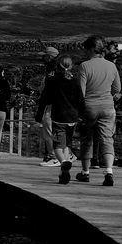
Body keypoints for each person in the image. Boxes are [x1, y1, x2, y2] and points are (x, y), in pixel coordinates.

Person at [74, 36, 122, 186]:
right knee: (107, 139)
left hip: (89, 107)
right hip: (107, 107)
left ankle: (85, 172)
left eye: (85, 50)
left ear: (90, 49)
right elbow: (117, 89)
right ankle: (108, 172)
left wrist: (79, 110)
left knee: (87, 139)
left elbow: (80, 92)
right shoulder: (111, 66)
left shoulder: (84, 66)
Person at [37, 55, 85, 184]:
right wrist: (82, 114)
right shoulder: (75, 81)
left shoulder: (53, 80)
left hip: (59, 116)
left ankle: (63, 162)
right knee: (67, 144)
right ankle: (63, 173)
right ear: (71, 66)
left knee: (58, 144)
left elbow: (45, 99)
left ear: (58, 65)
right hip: (73, 117)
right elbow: (80, 99)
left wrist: (39, 114)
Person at [37, 46, 61, 164]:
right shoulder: (56, 67)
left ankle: (53, 156)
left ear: (50, 56)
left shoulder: (53, 68)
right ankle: (56, 154)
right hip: (54, 103)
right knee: (55, 129)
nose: (42, 57)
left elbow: (50, 87)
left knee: (49, 128)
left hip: (51, 103)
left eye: (45, 55)